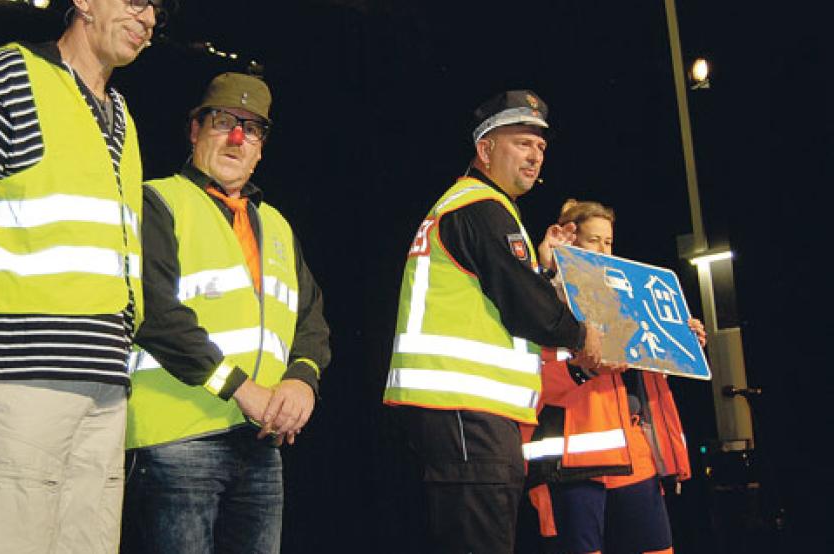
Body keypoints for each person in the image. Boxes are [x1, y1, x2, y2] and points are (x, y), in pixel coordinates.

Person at [0, 1, 167, 552]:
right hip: (17, 385)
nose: (149, 18)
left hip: (104, 395)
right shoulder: (16, 76)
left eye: (159, 9)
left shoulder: (123, 117)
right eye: (137, 1)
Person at [382, 90, 605, 554]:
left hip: (467, 411)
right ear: (485, 150)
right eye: (522, 142)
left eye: (541, 147)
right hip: (464, 407)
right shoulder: (480, 207)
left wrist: (541, 272)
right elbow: (527, 307)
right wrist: (582, 334)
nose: (535, 155)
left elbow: (505, 292)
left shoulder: (480, 208)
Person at [121, 72, 331, 553]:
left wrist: (302, 380)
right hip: (178, 439)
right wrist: (240, 388)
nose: (237, 139)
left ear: (261, 147)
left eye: (251, 129)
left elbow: (311, 319)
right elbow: (153, 312)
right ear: (194, 130)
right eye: (223, 122)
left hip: (261, 444)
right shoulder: (157, 201)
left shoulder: (277, 224)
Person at [523, 199, 706, 554]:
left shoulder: (630, 297)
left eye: (608, 241)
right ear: (570, 240)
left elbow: (644, 372)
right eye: (594, 240)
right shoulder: (540, 300)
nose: (604, 250)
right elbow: (527, 380)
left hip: (633, 450)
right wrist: (581, 368)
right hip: (574, 460)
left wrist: (679, 339)